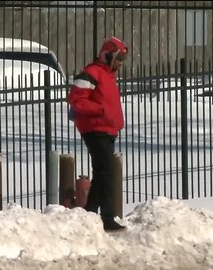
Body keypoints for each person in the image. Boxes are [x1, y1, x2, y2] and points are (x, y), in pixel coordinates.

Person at [67, 37, 128, 232]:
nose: (120, 63)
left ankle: (91, 211)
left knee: (103, 172)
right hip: (95, 128)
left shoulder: (107, 75)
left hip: (107, 129)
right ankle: (107, 217)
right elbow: (77, 101)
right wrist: (100, 110)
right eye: (119, 59)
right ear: (108, 56)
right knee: (107, 171)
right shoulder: (91, 73)